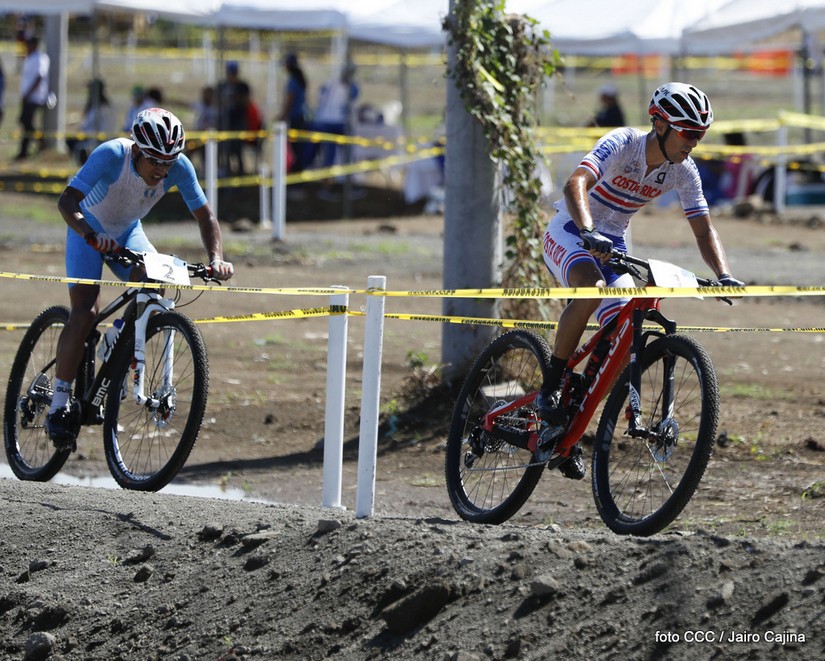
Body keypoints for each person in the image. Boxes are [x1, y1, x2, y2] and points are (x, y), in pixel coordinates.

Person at [538, 82, 745, 480]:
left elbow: (703, 230)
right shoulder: (624, 142)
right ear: (662, 124)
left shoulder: (684, 172)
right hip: (571, 228)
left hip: (612, 243)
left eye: (700, 135)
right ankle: (551, 384)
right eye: (689, 133)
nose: (694, 143)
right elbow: (574, 185)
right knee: (589, 290)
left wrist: (724, 274)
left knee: (624, 339)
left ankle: (568, 423)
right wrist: (587, 230)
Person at [45, 108, 235, 447]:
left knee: (153, 280)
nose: (162, 171)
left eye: (168, 162)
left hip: (128, 231)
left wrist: (216, 259)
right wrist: (90, 234)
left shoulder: (178, 168)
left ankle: (116, 340)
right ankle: (59, 403)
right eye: (154, 162)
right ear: (136, 150)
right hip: (87, 228)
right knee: (86, 311)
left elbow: (206, 218)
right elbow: (66, 201)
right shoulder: (111, 155)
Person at [310, 63, 359, 171]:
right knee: (329, 155)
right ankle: (327, 183)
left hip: (335, 123)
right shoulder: (332, 84)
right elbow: (320, 96)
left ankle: (343, 180)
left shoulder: (352, 87)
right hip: (330, 123)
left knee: (344, 154)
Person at [65, 78, 116, 164]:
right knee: (70, 141)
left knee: (74, 144)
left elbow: (104, 128)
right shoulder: (93, 106)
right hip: (88, 136)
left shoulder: (103, 107)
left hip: (97, 138)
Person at [15, 34, 49, 161]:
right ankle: (25, 150)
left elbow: (39, 77)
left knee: (26, 122)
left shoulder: (40, 58)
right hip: (28, 97)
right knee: (25, 122)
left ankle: (39, 142)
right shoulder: (29, 58)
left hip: (35, 97)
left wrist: (29, 93)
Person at [277, 53, 309, 172]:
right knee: (298, 148)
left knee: (296, 149)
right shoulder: (299, 80)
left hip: (296, 119)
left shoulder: (293, 81)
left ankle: (297, 175)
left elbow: (289, 102)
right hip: (299, 117)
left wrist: (283, 116)